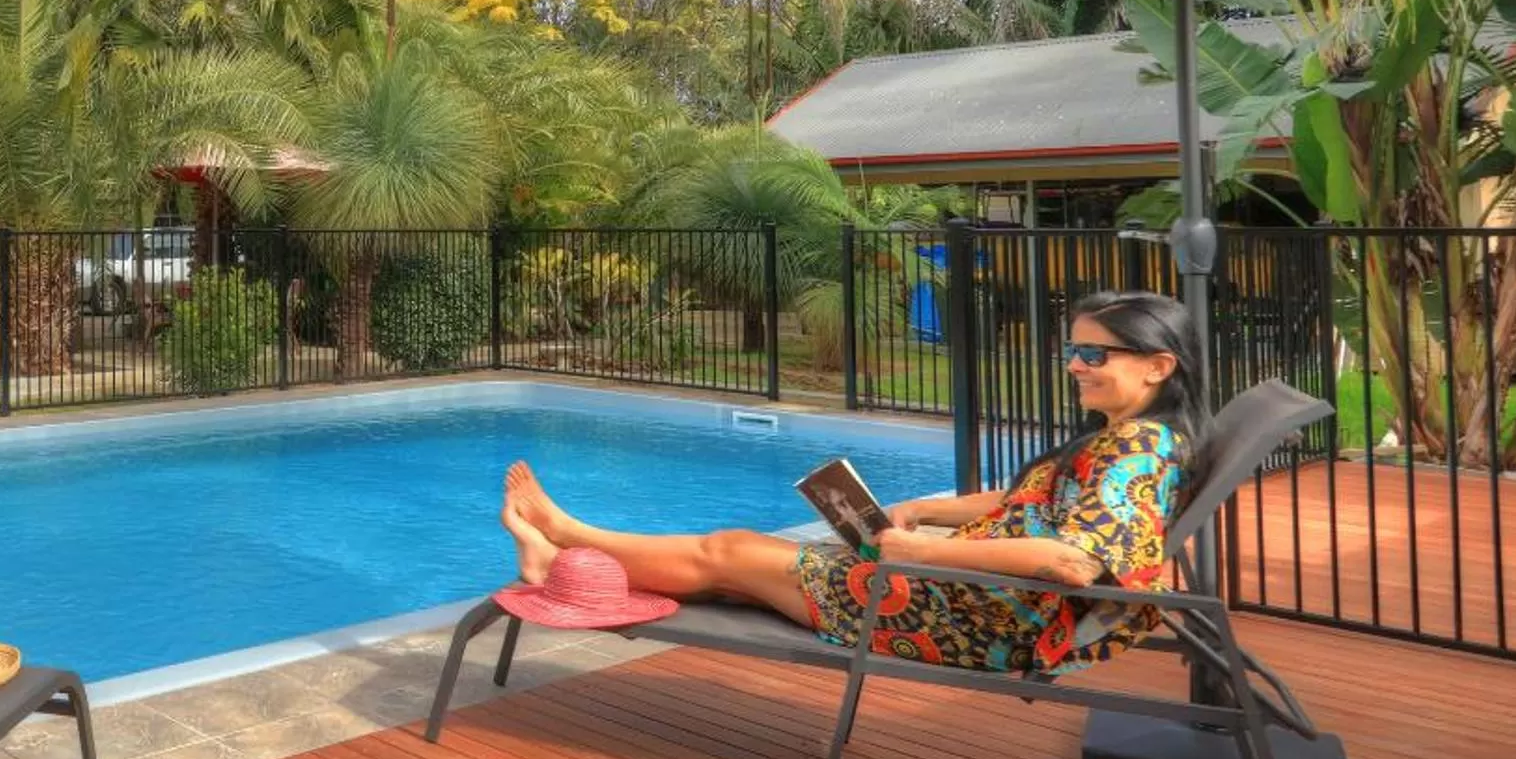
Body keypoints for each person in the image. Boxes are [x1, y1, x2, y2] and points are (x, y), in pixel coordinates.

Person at [501, 290, 1201, 675]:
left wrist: (920, 551)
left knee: (727, 551)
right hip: (970, 596)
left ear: (1157, 366)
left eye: (1093, 354)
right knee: (737, 570)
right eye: (1072, 350)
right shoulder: (1123, 438)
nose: (1074, 364)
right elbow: (1029, 503)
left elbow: (1074, 561)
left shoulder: (1137, 452)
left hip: (974, 617)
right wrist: (925, 508)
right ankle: (556, 556)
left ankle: (562, 540)